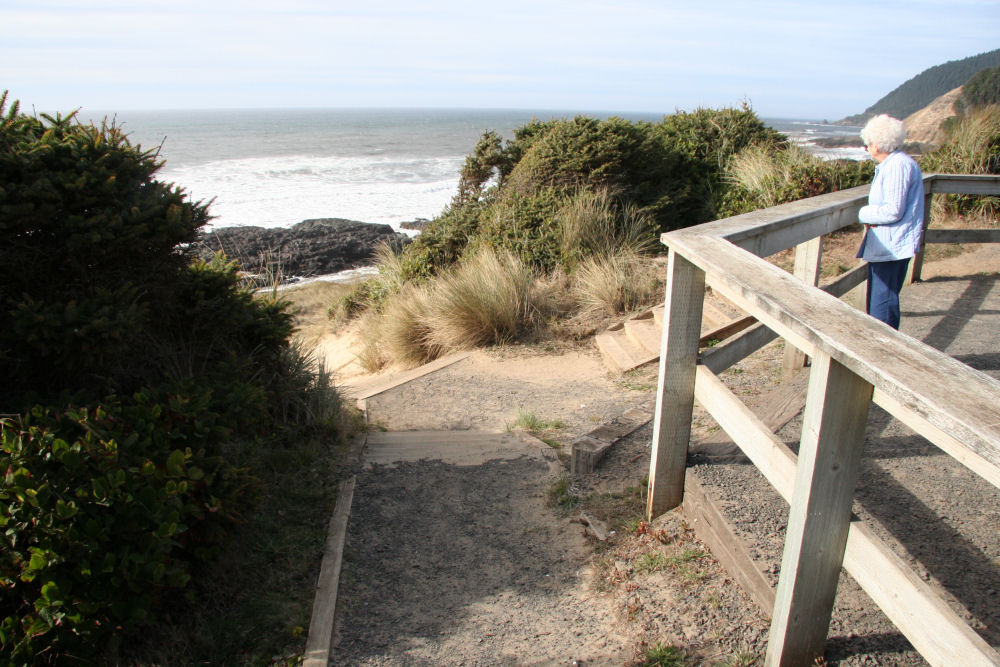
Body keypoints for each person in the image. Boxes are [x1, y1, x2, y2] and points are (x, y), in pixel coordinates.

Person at [856, 114, 925, 330]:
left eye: (866, 144)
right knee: (881, 303)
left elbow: (893, 210)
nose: (866, 148)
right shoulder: (896, 163)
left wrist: (863, 213)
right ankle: (881, 352)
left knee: (882, 306)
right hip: (890, 245)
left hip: (893, 246)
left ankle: (883, 355)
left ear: (876, 144)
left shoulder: (897, 166)